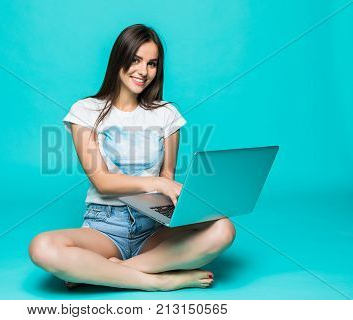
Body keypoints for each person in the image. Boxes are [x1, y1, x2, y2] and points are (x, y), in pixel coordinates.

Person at [29, 24, 236, 291]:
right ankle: (159, 282)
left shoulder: (167, 114)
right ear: (119, 58)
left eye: (152, 64)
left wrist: (181, 196)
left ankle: (110, 272)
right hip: (103, 227)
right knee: (42, 247)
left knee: (224, 229)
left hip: (154, 226)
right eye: (135, 60)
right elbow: (103, 181)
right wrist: (158, 184)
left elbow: (167, 178)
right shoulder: (85, 111)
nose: (143, 71)